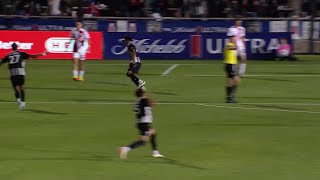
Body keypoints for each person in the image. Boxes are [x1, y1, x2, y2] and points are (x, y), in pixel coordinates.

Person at [119, 88, 163, 159]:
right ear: (143, 94)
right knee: (144, 140)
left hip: (141, 123)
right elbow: (154, 104)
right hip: (144, 123)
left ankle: (155, 152)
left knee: (151, 134)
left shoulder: (138, 101)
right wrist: (150, 97)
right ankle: (125, 149)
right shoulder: (144, 100)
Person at [0, 43, 47, 109]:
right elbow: (32, 56)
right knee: (21, 87)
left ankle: (18, 99)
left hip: (12, 72)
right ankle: (23, 103)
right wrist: (42, 54)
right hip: (20, 72)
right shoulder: (21, 53)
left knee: (16, 88)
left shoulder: (8, 55)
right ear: (17, 47)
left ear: (12, 48)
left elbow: (1, 62)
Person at [224, 36, 240, 103]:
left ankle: (231, 96)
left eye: (235, 39)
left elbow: (234, 56)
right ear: (230, 39)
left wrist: (237, 64)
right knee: (232, 80)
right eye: (233, 38)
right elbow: (231, 48)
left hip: (233, 65)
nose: (234, 40)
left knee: (237, 81)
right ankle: (229, 97)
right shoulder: (228, 45)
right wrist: (236, 46)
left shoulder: (234, 46)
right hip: (229, 64)